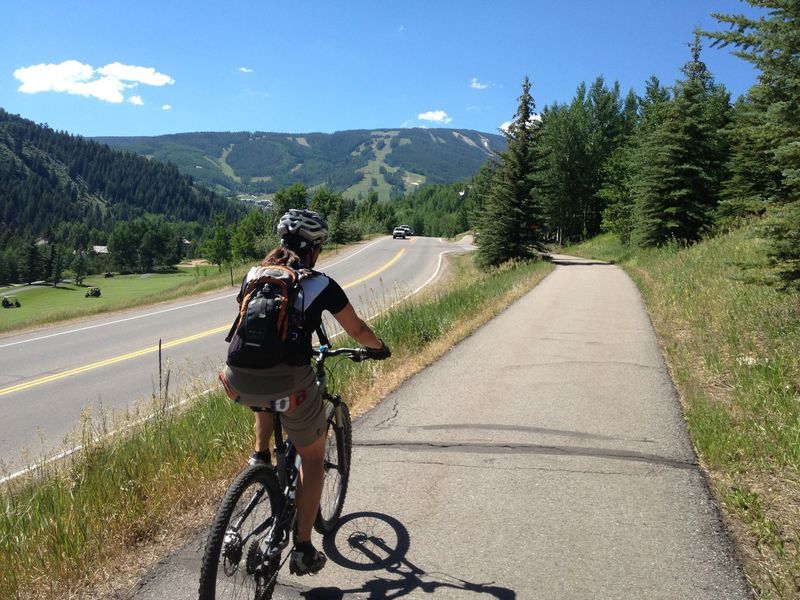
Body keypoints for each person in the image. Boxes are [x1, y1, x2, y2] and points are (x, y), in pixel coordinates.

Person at [219, 208, 390, 576]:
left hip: (236, 377)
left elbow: (257, 334)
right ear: (314, 247)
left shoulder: (254, 274)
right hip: (289, 381)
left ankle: (260, 459)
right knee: (312, 458)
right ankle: (303, 547)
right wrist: (378, 348)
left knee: (267, 392)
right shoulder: (320, 283)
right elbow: (357, 329)